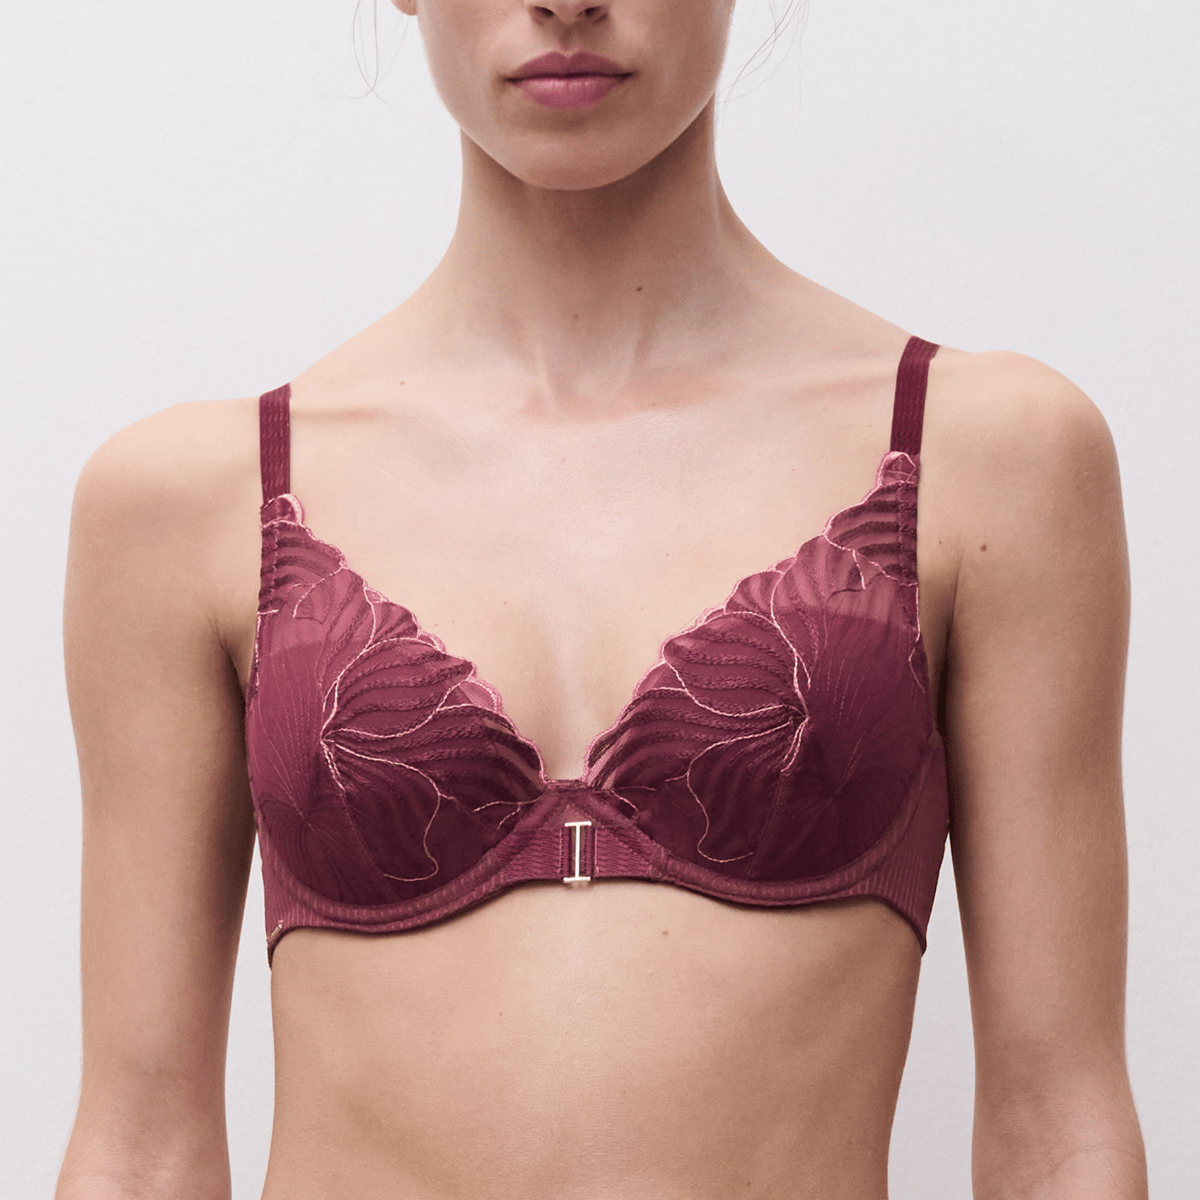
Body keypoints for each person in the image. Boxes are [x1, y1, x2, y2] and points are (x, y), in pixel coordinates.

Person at [54, 1, 1147, 1197]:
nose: (568, 0)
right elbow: (140, 1145)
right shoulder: (186, 504)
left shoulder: (987, 459)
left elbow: (1057, 1125)